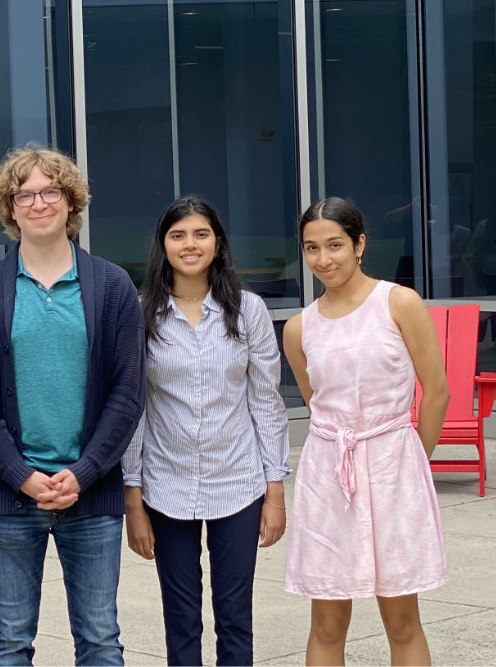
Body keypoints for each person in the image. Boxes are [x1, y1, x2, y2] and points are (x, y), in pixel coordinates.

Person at [0, 144, 145, 666]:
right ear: (9, 208)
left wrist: (83, 472)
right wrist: (20, 474)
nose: (38, 203)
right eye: (25, 194)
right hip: (12, 498)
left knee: (100, 640)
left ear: (71, 201)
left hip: (91, 492)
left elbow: (129, 394)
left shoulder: (112, 285)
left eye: (50, 191)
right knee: (10, 641)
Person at [121, 195, 290, 666]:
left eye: (200, 234)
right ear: (163, 245)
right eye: (178, 235)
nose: (189, 244)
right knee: (181, 617)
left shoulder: (249, 310)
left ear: (218, 243)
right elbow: (135, 410)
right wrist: (132, 499)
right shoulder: (140, 313)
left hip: (238, 483)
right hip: (165, 485)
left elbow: (266, 403)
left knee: (235, 616)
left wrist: (274, 492)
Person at [283, 197, 449, 666]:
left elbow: (436, 390)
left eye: (334, 244)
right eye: (312, 248)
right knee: (327, 621)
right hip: (329, 472)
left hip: (393, 463)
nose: (323, 259)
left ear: (359, 244)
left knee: (401, 619)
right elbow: (317, 403)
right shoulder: (299, 328)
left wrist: (414, 462)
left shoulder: (398, 302)